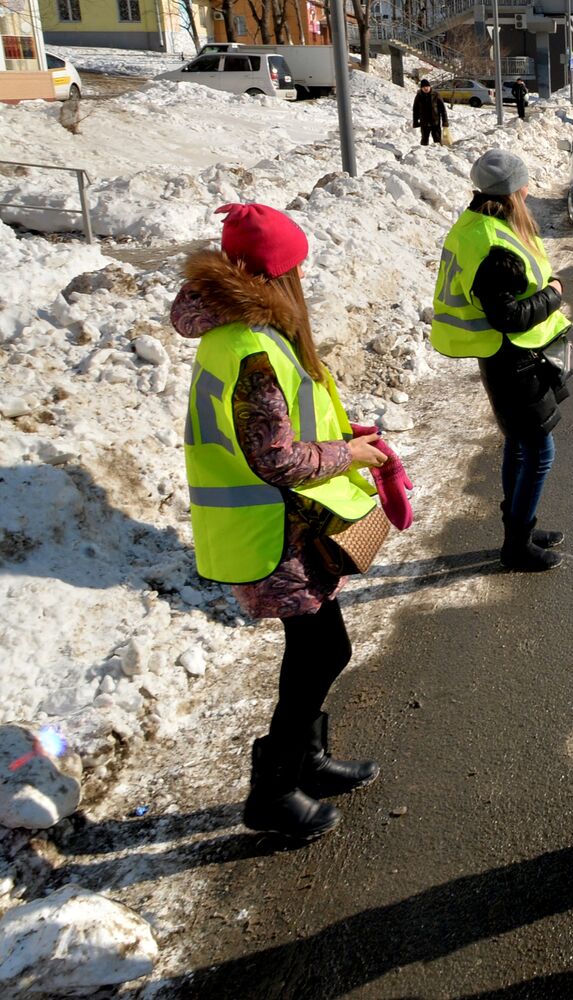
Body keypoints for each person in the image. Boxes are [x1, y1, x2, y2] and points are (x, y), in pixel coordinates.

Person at [174, 204, 386, 841]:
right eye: (296, 269)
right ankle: (271, 792)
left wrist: (342, 433)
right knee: (324, 650)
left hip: (284, 526)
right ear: (274, 277)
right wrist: (350, 454)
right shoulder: (251, 349)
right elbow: (276, 458)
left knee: (318, 649)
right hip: (272, 531)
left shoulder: (237, 333)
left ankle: (306, 761)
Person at [430, 150, 571, 571]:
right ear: (514, 189)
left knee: (520, 445)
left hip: (508, 358)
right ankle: (516, 545)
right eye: (525, 183)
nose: (529, 189)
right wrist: (555, 294)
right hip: (515, 362)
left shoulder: (478, 224)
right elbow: (507, 316)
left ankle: (520, 529)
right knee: (539, 451)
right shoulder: (494, 246)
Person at [412, 78, 448, 146]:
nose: (426, 88)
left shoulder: (436, 95)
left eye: (427, 87)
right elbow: (415, 110)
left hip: (435, 122)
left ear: (430, 86)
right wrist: (415, 122)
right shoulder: (419, 96)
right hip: (424, 123)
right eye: (424, 87)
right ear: (421, 88)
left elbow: (443, 110)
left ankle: (439, 153)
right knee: (424, 141)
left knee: (437, 141)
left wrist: (445, 122)